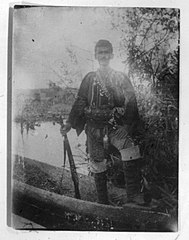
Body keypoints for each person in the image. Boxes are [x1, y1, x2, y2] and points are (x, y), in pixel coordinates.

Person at [61, 39, 141, 204]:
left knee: (130, 149)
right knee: (97, 162)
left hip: (114, 126)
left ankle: (133, 196)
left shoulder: (120, 77)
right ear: (96, 56)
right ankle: (102, 202)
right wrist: (69, 123)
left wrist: (127, 125)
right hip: (93, 128)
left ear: (111, 55)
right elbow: (81, 101)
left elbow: (131, 100)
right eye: (100, 53)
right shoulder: (89, 78)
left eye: (106, 52)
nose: (104, 56)